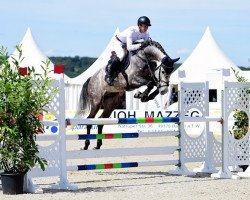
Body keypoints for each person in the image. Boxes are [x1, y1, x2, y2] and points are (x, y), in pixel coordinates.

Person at [105, 16, 152, 86]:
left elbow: (147, 43)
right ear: (139, 25)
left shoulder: (146, 33)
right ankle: (108, 76)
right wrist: (141, 45)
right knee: (120, 56)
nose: (146, 28)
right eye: (145, 26)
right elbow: (129, 47)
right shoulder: (132, 31)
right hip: (119, 42)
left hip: (130, 44)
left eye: (147, 26)